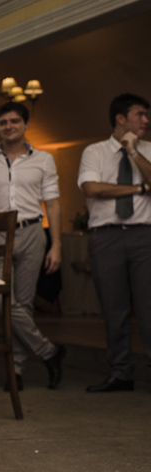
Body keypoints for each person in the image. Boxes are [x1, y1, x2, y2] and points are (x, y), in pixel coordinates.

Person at [0, 102, 65, 390]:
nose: (8, 126)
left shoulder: (43, 159)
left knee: (22, 303)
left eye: (14, 121)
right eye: (3, 122)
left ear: (25, 124)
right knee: (1, 300)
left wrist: (56, 244)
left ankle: (15, 371)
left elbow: (53, 202)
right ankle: (50, 351)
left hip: (32, 232)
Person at [77, 92, 151, 393]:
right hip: (105, 237)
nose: (145, 120)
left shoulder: (148, 150)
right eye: (139, 114)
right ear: (121, 118)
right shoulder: (94, 152)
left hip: (144, 235)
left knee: (149, 307)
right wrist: (139, 188)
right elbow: (92, 189)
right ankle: (121, 372)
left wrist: (134, 154)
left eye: (146, 115)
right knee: (113, 307)